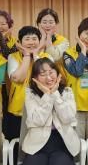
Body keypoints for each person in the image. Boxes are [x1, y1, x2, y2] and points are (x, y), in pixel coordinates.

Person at [13, 58, 82, 165]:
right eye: (42, 74)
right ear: (35, 78)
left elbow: (68, 117)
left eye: (51, 72)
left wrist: (55, 94)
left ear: (58, 75)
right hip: (37, 143)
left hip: (62, 142)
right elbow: (37, 120)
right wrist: (47, 96)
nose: (48, 77)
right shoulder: (30, 94)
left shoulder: (67, 92)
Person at [4, 26, 53, 156]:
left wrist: (36, 55)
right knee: (17, 147)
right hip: (18, 109)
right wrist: (26, 55)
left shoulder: (47, 57)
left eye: (34, 39)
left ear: (39, 41)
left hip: (41, 109)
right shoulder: (13, 57)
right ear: (20, 42)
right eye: (27, 39)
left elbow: (46, 79)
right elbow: (18, 78)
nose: (31, 42)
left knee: (39, 147)